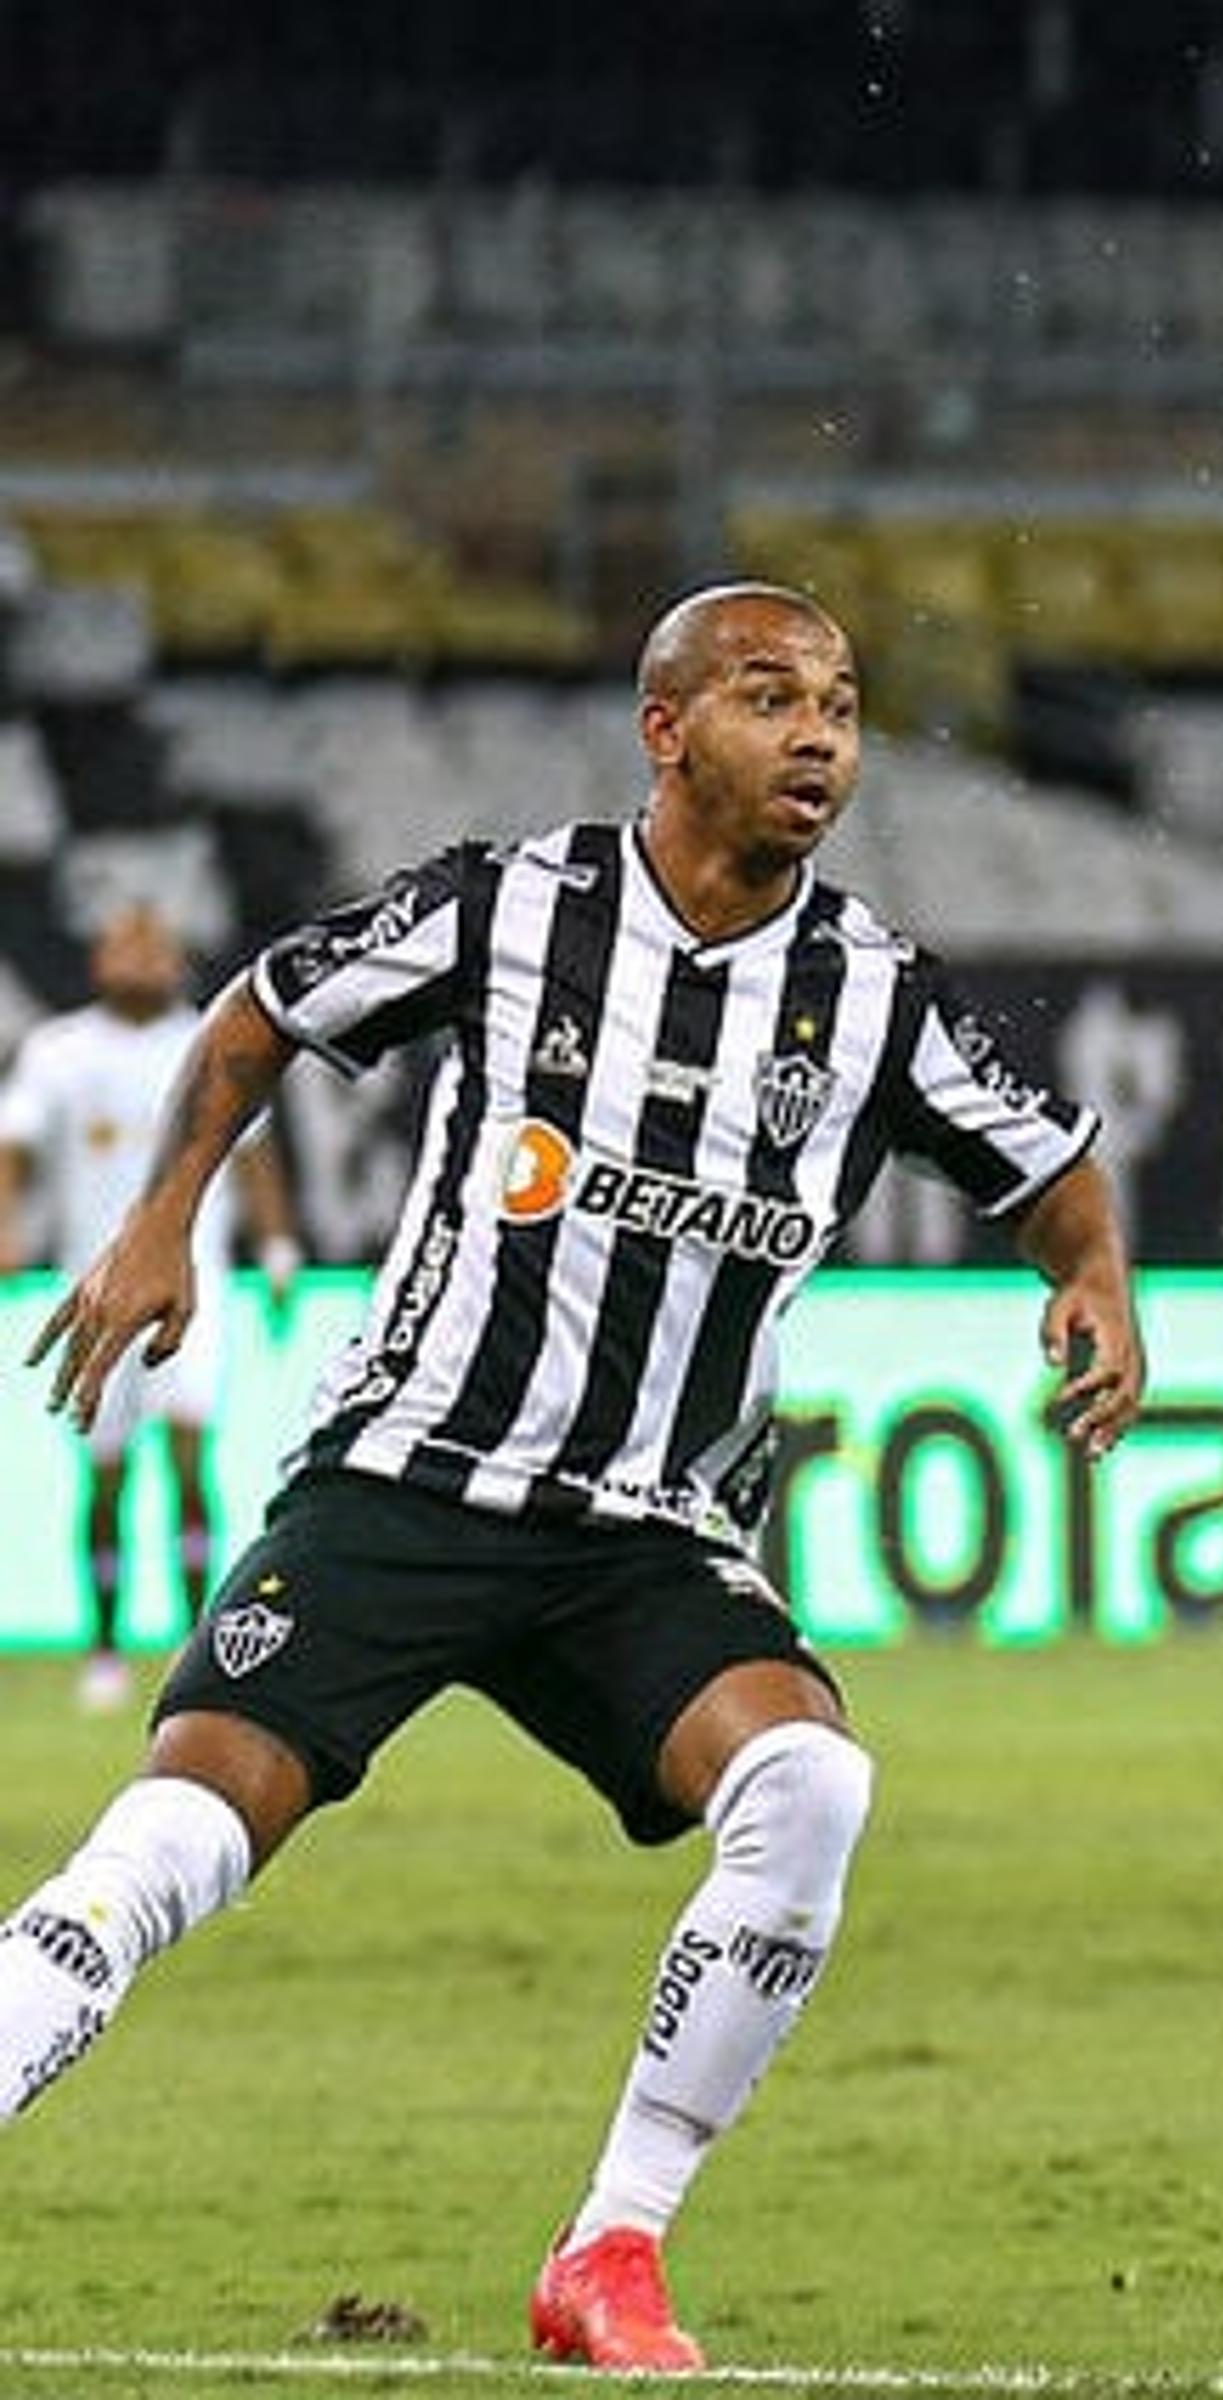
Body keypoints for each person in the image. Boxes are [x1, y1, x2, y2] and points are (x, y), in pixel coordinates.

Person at [0, 584, 1147, 2372]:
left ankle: (612, 2246)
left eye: (843, 705)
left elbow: (1053, 1168)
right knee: (172, 1839)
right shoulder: (504, 907)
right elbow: (259, 1015)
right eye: (774, 698)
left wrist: (1091, 1279)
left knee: (810, 1791)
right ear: (668, 729)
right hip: (412, 1479)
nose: (823, 737)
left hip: (647, 1539)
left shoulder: (875, 994)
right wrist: (162, 1220)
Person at [0, 902, 305, 1715]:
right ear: (97, 958)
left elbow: (253, 1152)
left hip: (194, 1287)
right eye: (122, 939)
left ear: (178, 960)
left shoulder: (207, 1042)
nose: (138, 953)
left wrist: (276, 1246)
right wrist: (7, 1233)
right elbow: (14, 1147)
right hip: (91, 1292)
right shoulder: (57, 1051)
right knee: (103, 1477)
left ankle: (192, 1639)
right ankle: (102, 1646)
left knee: (186, 1455)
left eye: (154, 940)